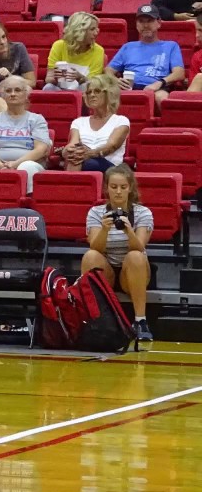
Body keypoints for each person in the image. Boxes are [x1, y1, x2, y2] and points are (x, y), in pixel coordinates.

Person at [83, 164, 154, 341]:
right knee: (90, 256)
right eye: (114, 187)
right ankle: (96, 319)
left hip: (132, 272)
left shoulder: (143, 213)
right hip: (107, 269)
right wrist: (105, 230)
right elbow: (95, 247)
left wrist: (129, 231)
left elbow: (140, 247)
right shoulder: (96, 212)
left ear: (130, 188)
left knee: (135, 256)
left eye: (123, 187)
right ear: (106, 188)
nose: (118, 192)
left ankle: (140, 321)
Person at [0, 76, 50, 192]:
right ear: (3, 96)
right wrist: (1, 166)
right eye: (8, 91)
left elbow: (41, 150)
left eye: (17, 90)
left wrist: (15, 164)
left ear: (26, 94)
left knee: (27, 167)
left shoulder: (37, 119)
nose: (12, 94)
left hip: (27, 163)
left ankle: (27, 205)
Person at [107, 5, 186, 106]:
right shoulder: (128, 47)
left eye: (149, 21)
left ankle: (170, 122)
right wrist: (116, 80)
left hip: (158, 87)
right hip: (129, 87)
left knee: (162, 98)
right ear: (136, 25)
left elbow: (179, 73)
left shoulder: (171, 46)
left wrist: (159, 83)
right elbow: (108, 70)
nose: (145, 25)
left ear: (159, 23)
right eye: (141, 21)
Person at [61, 75, 130, 173]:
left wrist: (89, 153)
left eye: (97, 91)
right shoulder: (78, 122)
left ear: (108, 94)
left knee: (78, 160)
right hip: (82, 160)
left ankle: (69, 187)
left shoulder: (121, 121)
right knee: (75, 158)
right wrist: (68, 151)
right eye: (89, 92)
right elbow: (73, 143)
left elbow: (111, 146)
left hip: (110, 167)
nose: (92, 95)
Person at [44, 11, 105, 91]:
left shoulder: (98, 51)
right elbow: (48, 79)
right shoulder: (59, 45)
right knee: (48, 87)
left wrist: (81, 78)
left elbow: (94, 84)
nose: (97, 32)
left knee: (85, 87)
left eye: (97, 29)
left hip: (84, 93)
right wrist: (55, 78)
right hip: (60, 89)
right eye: (92, 29)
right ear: (80, 31)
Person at [191, 16, 202, 92]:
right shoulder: (197, 56)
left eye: (201, 30)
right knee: (199, 78)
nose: (197, 35)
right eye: (196, 31)